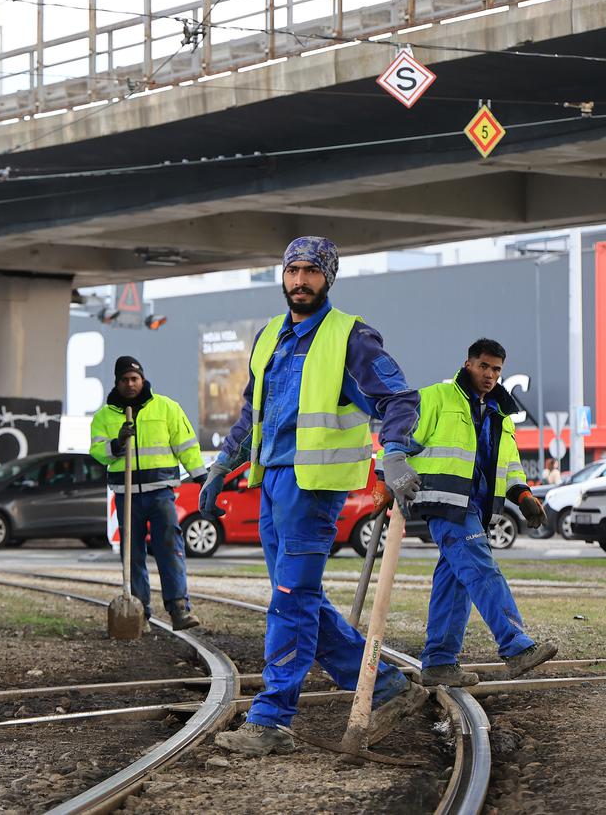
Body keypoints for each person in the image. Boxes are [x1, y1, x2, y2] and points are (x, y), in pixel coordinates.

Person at [200, 236, 429, 757]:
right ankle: (387, 685)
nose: (300, 280)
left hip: (314, 488)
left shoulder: (350, 337)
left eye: (311, 271)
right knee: (297, 593)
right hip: (273, 482)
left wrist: (393, 452)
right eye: (292, 270)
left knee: (288, 598)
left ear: (329, 278)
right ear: (282, 276)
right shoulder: (267, 337)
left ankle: (272, 717)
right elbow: (250, 415)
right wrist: (221, 466)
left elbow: (397, 397)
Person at [384, 339, 557, 687]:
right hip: (444, 501)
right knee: (480, 568)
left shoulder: (499, 412)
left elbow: (508, 462)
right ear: (468, 364)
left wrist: (521, 492)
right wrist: (390, 465)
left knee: (456, 581)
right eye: (484, 366)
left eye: (496, 369)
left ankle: (439, 662)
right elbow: (399, 433)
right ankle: (516, 645)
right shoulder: (438, 397)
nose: (490, 375)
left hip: (476, 509)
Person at [90, 356, 207, 632]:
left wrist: (201, 476)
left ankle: (179, 608)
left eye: (134, 378)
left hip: (161, 492)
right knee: (132, 555)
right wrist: (117, 443)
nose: (130, 384)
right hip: (126, 493)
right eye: (125, 380)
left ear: (142, 379)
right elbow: (97, 453)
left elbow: (186, 445)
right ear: (117, 382)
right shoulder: (104, 417)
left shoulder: (167, 408)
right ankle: (139, 613)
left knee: (170, 547)